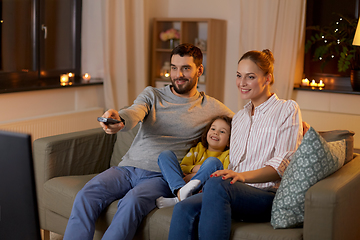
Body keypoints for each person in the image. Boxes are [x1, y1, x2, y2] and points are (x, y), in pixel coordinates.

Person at [63, 43, 234, 240]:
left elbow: (241, 124)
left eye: (186, 68)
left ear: (199, 70)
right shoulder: (153, 94)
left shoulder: (211, 107)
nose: (179, 74)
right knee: (86, 195)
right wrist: (119, 119)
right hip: (126, 169)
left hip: (161, 176)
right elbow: (134, 112)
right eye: (174, 67)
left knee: (132, 201)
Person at [168, 49, 304, 240]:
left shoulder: (287, 109)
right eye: (239, 76)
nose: (242, 83)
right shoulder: (238, 118)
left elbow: (282, 166)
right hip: (232, 191)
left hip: (266, 195)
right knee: (183, 208)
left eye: (250, 77)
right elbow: (230, 162)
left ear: (267, 78)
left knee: (218, 185)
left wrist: (240, 176)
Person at [156, 115, 232, 209]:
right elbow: (183, 167)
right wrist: (195, 168)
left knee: (213, 162)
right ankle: (180, 191)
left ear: (229, 141)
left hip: (203, 187)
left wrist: (193, 175)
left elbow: (223, 176)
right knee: (165, 155)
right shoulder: (198, 149)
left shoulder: (227, 155)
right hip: (184, 182)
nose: (216, 133)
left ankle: (178, 199)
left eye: (222, 131)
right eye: (213, 129)